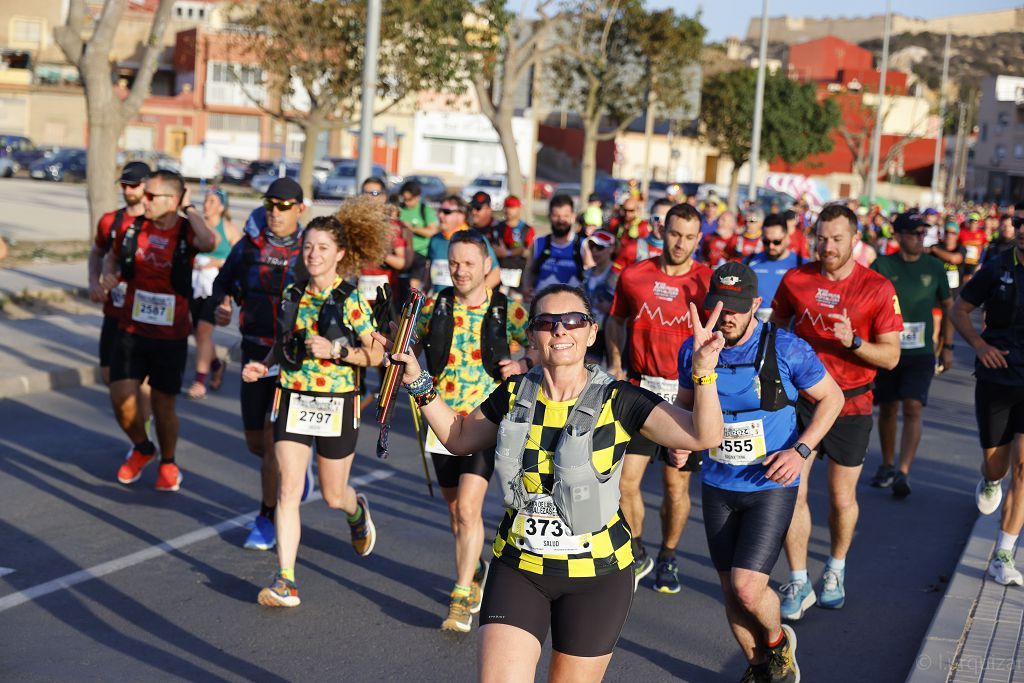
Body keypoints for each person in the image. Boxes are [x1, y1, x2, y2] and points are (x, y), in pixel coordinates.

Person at [375, 283, 726, 682]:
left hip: (598, 575)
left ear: (591, 333)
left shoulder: (620, 399)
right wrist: (417, 378)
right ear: (533, 336)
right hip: (520, 567)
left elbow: (704, 435)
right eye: (547, 322)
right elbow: (457, 438)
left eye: (573, 321)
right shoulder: (513, 393)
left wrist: (703, 373)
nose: (560, 331)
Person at [673, 262, 843, 683]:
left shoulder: (786, 348)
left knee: (749, 587)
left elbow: (832, 399)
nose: (725, 315)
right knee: (731, 592)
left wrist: (801, 451)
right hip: (717, 484)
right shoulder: (692, 348)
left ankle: (777, 642)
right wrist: (677, 441)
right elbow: (683, 408)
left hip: (769, 484)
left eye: (735, 307)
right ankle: (760, 669)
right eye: (718, 304)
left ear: (755, 304)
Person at [242, 203, 392, 607]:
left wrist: (338, 352)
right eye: (308, 247)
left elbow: (377, 355)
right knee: (288, 489)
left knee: (330, 494)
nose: (313, 255)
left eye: (322, 248)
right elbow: (282, 342)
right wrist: (265, 366)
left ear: (339, 253)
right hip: (291, 396)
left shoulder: (352, 299)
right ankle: (285, 579)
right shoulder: (293, 292)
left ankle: (355, 509)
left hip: (338, 403)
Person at [770, 203, 902, 617]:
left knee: (842, 499)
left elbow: (892, 357)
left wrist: (854, 343)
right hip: (802, 403)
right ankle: (797, 580)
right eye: (822, 238)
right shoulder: (796, 279)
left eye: (837, 239)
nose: (828, 246)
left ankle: (835, 569)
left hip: (852, 404)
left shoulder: (877, 288)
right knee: (792, 491)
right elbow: (775, 327)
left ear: (855, 240)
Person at [415, 230, 531, 632]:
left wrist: (521, 364)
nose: (460, 271)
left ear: (487, 266)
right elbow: (408, 341)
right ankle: (474, 565)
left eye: (468, 263)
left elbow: (539, 346)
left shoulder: (508, 311)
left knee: (468, 508)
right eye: (454, 263)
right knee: (455, 512)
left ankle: (462, 595)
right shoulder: (434, 305)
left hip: (485, 422)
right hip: (441, 422)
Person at [606, 203, 712, 593]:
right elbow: (615, 319)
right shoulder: (635, 275)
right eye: (674, 233)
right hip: (639, 390)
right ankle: (636, 551)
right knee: (625, 484)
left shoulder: (705, 283)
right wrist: (616, 359)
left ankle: (668, 555)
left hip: (683, 399)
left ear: (698, 239)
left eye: (689, 237)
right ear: (661, 230)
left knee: (675, 488)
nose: (680, 243)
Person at [101, 170, 218, 491]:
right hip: (131, 328)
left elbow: (210, 241)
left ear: (172, 199)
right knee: (120, 400)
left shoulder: (185, 232)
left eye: (152, 196)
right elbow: (111, 259)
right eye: (145, 194)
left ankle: (168, 462)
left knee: (165, 407)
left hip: (171, 336)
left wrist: (189, 208)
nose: (144, 200)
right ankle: (143, 448)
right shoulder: (133, 227)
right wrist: (106, 276)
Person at [212, 177, 307, 550]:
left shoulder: (310, 249)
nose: (275, 212)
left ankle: (266, 516)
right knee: (255, 443)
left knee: (271, 444)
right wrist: (221, 303)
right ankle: (291, 473)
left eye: (284, 206)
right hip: (254, 354)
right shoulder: (250, 246)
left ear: (300, 208)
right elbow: (223, 280)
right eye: (270, 205)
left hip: (292, 359)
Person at [953, 213, 1024, 586]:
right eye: (1020, 221)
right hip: (997, 376)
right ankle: (990, 480)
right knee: (997, 467)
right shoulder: (996, 267)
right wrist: (979, 345)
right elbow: (959, 309)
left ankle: (1003, 554)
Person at [870, 213, 954, 498]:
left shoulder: (935, 266)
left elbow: (949, 305)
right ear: (898, 236)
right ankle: (887, 464)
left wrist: (949, 346)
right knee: (889, 408)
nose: (920, 238)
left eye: (923, 233)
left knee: (913, 406)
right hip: (886, 350)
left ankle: (903, 472)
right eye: (914, 233)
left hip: (921, 352)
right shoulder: (883, 265)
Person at [88, 161, 154, 452]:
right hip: (114, 313)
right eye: (124, 185)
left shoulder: (158, 224)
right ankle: (141, 432)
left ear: (147, 186)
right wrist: (93, 281)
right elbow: (97, 252)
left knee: (141, 382)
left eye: (134, 185)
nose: (128, 190)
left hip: (145, 317)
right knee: (108, 375)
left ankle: (144, 437)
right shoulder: (110, 221)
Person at [186, 187, 241, 399]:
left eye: (210, 201)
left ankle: (199, 382)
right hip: (194, 285)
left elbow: (239, 261)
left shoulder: (229, 230)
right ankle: (217, 364)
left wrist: (216, 262)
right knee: (194, 330)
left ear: (221, 206)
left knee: (202, 332)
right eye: (205, 200)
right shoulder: (197, 226)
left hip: (216, 288)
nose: (205, 205)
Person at [424, 195, 500, 295]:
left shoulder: (476, 239)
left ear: (461, 215)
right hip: (440, 304)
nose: (441, 215)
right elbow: (428, 272)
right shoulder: (435, 239)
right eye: (439, 211)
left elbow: (495, 274)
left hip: (466, 306)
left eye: (447, 212)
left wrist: (475, 297)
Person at [521, 194, 587, 298]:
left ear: (573, 217)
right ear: (549, 217)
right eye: (556, 216)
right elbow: (529, 270)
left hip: (572, 308)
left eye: (566, 216)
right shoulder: (539, 243)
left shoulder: (583, 244)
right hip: (543, 307)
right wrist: (526, 287)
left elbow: (592, 275)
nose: (561, 221)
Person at [746, 213, 805, 323]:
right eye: (766, 242)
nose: (771, 246)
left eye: (777, 242)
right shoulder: (749, 261)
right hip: (755, 327)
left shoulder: (801, 264)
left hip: (788, 329)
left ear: (787, 237)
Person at [611, 198, 671, 281]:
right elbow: (613, 283)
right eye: (656, 218)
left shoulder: (680, 252)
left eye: (666, 218)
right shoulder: (631, 248)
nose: (661, 223)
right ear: (650, 219)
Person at [582, 230, 616, 365]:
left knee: (614, 372)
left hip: (611, 334)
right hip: (591, 332)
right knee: (589, 371)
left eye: (600, 247)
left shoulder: (619, 275)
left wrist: (612, 308)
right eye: (592, 247)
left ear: (611, 249)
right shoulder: (587, 274)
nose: (595, 251)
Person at [399, 179, 439, 292]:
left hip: (420, 254)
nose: (407, 202)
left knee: (414, 284)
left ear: (418, 197)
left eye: (410, 199)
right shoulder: (400, 210)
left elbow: (432, 231)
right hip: (402, 253)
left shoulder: (425, 210)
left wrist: (411, 228)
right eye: (404, 199)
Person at [491, 195, 535, 296]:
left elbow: (527, 251)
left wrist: (507, 253)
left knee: (516, 304)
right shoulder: (497, 227)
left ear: (519, 209)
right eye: (506, 207)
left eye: (511, 207)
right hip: (500, 272)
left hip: (518, 273)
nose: (508, 210)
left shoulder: (527, 229)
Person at [959, 212, 988, 278]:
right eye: (971, 221)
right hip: (963, 262)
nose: (973, 224)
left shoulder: (982, 234)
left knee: (969, 281)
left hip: (974, 263)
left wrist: (980, 262)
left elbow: (984, 250)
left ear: (978, 223)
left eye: (975, 222)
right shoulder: (961, 232)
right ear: (968, 222)